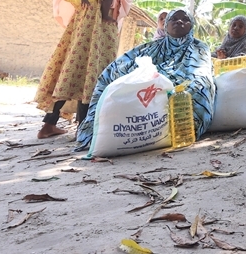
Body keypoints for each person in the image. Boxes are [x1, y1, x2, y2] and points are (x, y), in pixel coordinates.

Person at [75, 9, 215, 151]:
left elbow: (200, 72)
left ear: (192, 25)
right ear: (166, 25)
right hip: (152, 85)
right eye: (174, 19)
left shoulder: (199, 47)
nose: (179, 21)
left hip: (181, 90)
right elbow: (119, 66)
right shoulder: (152, 47)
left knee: (200, 86)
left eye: (185, 19)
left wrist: (168, 83)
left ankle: (180, 131)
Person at [35, 0, 126, 139]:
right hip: (94, 24)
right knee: (88, 70)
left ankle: (51, 124)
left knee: (75, 69)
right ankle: (82, 129)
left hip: (90, 23)